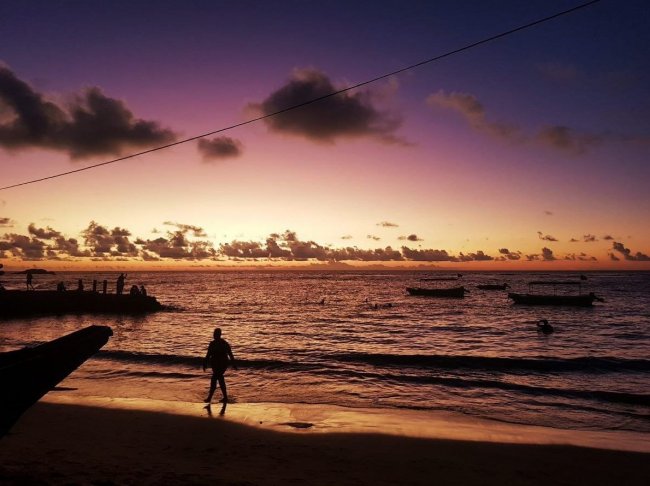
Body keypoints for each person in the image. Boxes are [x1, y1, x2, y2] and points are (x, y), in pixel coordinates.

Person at [203, 328, 237, 404]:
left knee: (215, 378)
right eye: (214, 333)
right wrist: (204, 363)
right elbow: (208, 354)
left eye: (215, 334)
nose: (214, 335)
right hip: (215, 364)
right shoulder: (212, 344)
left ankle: (210, 398)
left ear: (219, 335)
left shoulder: (224, 343)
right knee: (219, 378)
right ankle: (225, 397)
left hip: (222, 364)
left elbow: (230, 354)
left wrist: (234, 364)